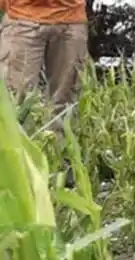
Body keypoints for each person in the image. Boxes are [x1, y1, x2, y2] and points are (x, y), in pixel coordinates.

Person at [0, 0, 88, 184]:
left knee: (65, 105)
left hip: (70, 21)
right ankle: (12, 179)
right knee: (15, 105)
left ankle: (60, 178)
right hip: (22, 19)